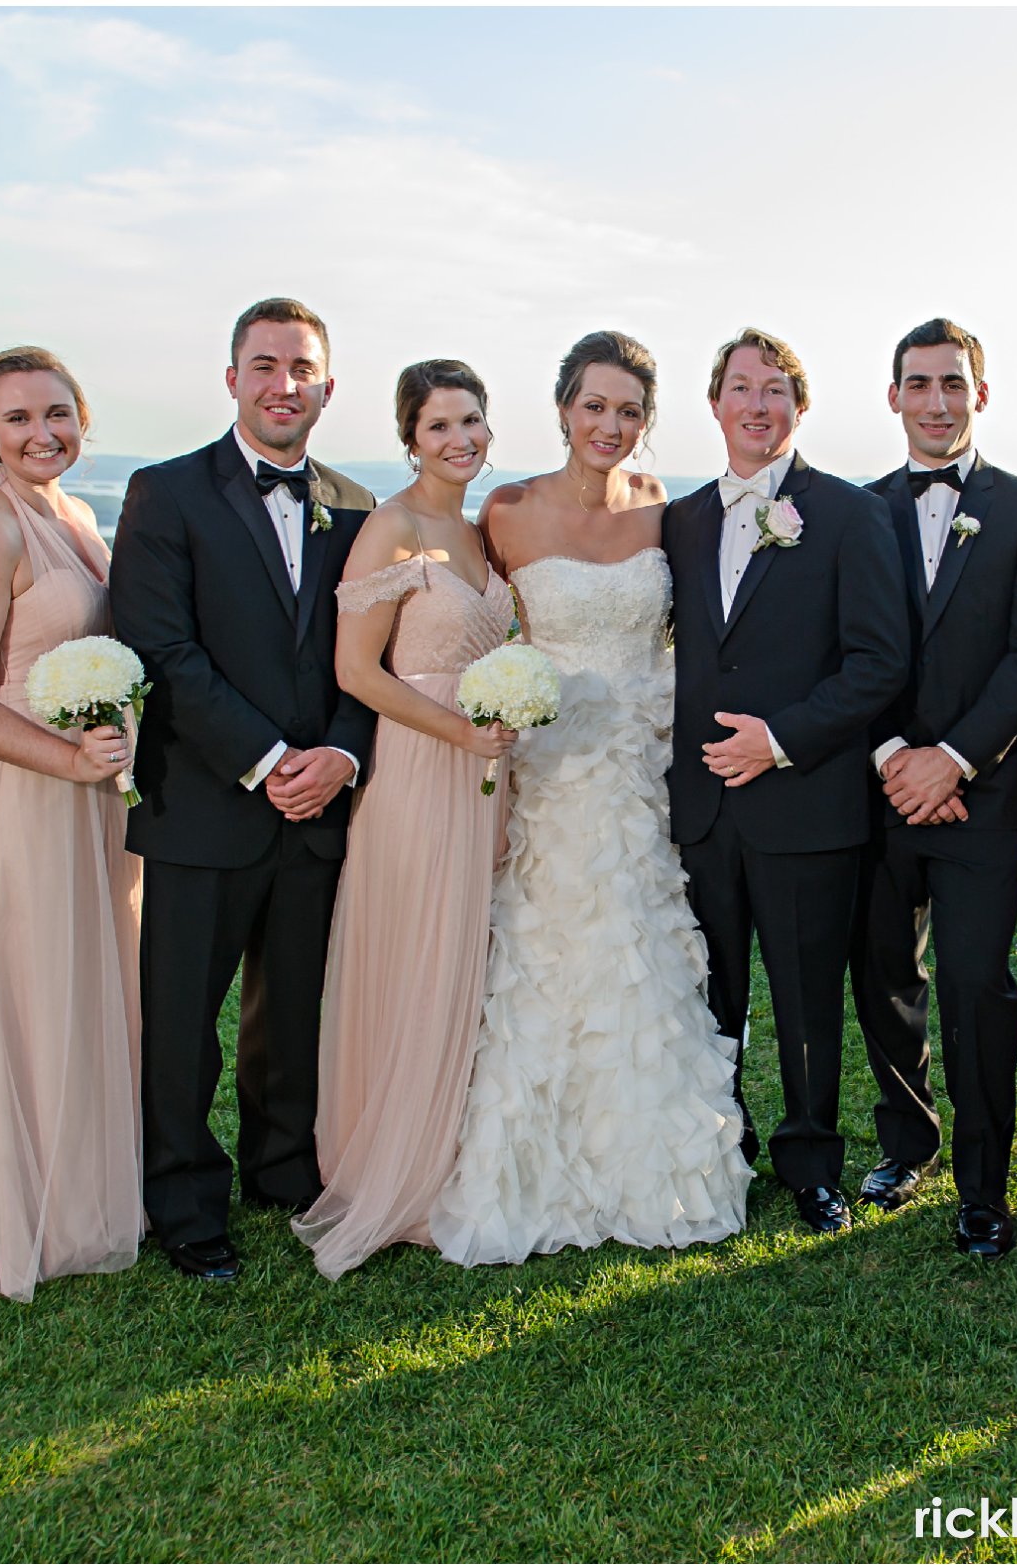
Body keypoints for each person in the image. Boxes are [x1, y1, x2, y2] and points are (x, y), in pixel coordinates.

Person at [430, 331, 752, 1266]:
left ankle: (653, 1159)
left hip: (648, 765)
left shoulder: (664, 510)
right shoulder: (509, 510)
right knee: (549, 947)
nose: (610, 425)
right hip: (554, 765)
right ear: (564, 407)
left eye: (629, 411)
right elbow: (470, 625)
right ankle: (532, 1164)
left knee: (644, 945)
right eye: (594, 406)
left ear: (647, 424)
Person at [108, 299, 379, 1283]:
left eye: (301, 368)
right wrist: (268, 762)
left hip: (320, 806)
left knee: (294, 1008)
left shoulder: (356, 507)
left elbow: (371, 659)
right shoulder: (165, 493)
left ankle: (283, 1169)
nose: (282, 384)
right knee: (183, 1019)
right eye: (263, 365)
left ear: (326, 387)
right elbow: (161, 647)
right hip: (205, 802)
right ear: (230, 379)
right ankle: (182, 1199)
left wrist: (341, 757)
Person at [663, 328, 909, 1234]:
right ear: (715, 404)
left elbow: (879, 662)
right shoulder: (682, 520)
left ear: (799, 407)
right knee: (708, 993)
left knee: (807, 998)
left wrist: (784, 740)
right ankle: (716, 1150)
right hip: (702, 805)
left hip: (806, 799)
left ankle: (810, 1166)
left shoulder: (847, 514)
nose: (757, 404)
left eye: (776, 389)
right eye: (740, 387)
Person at [0, 347, 144, 1301]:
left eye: (58, 413)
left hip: (93, 791)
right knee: (33, 984)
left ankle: (90, 1186)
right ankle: (28, 1207)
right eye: (18, 420)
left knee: (92, 983)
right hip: (24, 792)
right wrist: (67, 760)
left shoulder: (79, 516)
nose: (42, 433)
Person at [847, 319, 1017, 1259]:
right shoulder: (854, 511)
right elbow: (841, 650)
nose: (937, 402)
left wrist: (956, 760)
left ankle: (985, 1184)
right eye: (919, 384)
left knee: (980, 986)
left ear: (981, 393)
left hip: (982, 794)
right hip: (877, 789)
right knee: (884, 974)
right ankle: (907, 1145)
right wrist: (897, 755)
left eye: (954, 383)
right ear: (893, 395)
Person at [291, 360, 516, 1279]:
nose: (460, 440)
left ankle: (448, 1152)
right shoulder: (392, 527)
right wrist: (461, 731)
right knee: (417, 951)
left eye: (472, 422)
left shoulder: (477, 535)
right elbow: (357, 672)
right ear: (409, 437)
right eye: (439, 427)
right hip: (425, 767)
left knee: (469, 952)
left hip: (486, 774)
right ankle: (393, 1170)